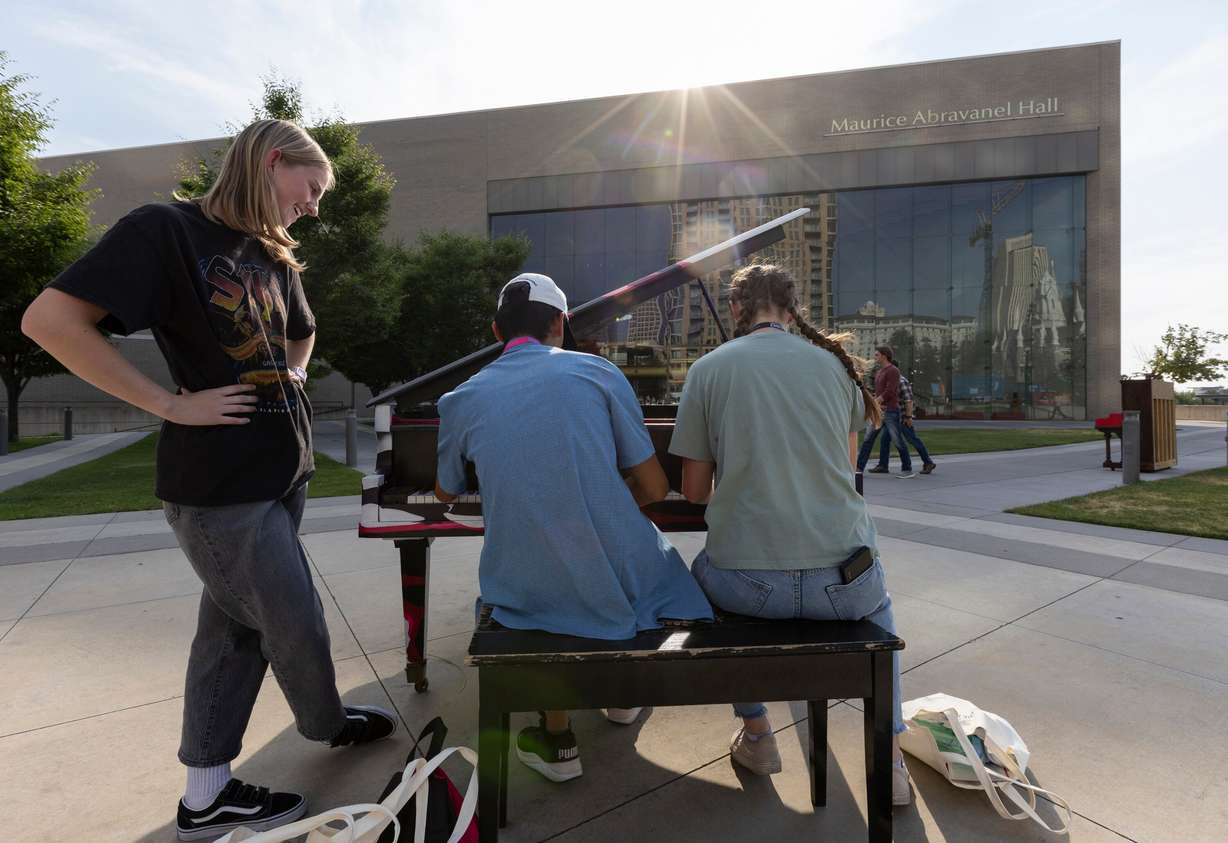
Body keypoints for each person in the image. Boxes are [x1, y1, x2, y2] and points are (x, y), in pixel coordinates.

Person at [21, 119, 396, 841]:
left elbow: (304, 329)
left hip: (283, 474)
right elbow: (51, 319)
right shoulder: (165, 229)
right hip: (220, 486)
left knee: (232, 634)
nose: (315, 206)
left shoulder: (273, 255)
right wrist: (168, 403)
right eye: (311, 187)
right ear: (274, 160)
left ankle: (207, 793)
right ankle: (328, 722)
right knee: (291, 622)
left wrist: (293, 368)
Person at [434, 273, 713, 783]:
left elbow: (444, 494)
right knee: (631, 563)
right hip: (614, 575)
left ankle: (557, 739)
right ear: (560, 322)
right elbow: (652, 489)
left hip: (525, 585)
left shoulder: (462, 398)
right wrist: (591, 498)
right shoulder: (599, 374)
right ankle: (621, 695)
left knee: (543, 575)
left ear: (497, 331)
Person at [669, 263, 913, 806]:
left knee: (698, 579)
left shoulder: (709, 369)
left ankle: (758, 734)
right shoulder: (834, 368)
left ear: (736, 308)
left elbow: (693, 491)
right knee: (882, 608)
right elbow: (845, 470)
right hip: (844, 582)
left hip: (749, 586)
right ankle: (892, 760)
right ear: (792, 307)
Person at [857, 346, 915, 478]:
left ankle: (907, 469)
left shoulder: (893, 371)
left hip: (890, 411)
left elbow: (890, 391)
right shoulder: (880, 372)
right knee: (867, 440)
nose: (875, 357)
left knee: (897, 440)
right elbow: (879, 391)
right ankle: (858, 468)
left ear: (884, 356)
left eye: (877, 355)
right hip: (879, 412)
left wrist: (876, 401)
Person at [874, 373, 937, 475]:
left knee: (912, 439)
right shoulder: (891, 382)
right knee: (884, 440)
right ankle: (883, 465)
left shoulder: (901, 381)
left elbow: (909, 400)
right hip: (892, 418)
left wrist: (908, 417)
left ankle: (928, 462)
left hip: (902, 418)